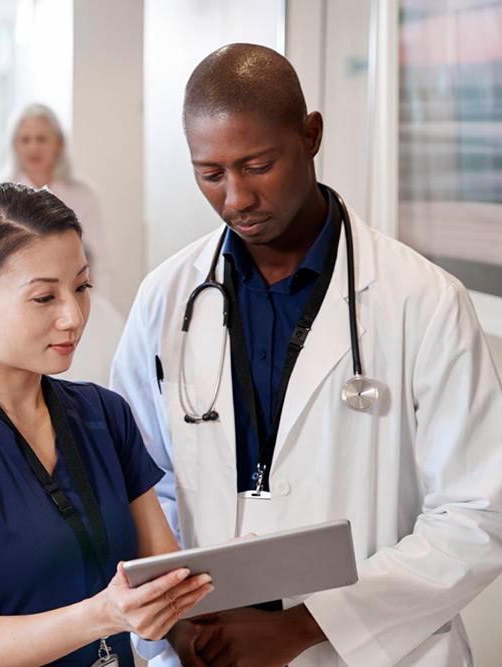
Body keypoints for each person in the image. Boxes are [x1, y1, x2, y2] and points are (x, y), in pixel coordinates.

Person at [111, 44, 502, 666]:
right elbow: (138, 484)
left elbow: (477, 512)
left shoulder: (420, 299)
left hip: (380, 650)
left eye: (258, 165)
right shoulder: (167, 298)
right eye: (210, 174)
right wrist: (175, 624)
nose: (236, 197)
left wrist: (307, 626)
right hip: (208, 646)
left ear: (311, 135)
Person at [0, 182, 214, 666]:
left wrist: (216, 581)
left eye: (81, 287)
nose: (72, 317)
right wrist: (104, 614)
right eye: (43, 298)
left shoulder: (104, 415)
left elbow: (160, 572)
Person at [0, 104, 125, 386]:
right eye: (25, 139)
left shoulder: (82, 194)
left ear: (58, 143)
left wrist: (97, 303)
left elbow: (100, 259)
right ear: (14, 145)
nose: (33, 148)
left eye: (41, 139)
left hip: (75, 300)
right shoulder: (1, 195)